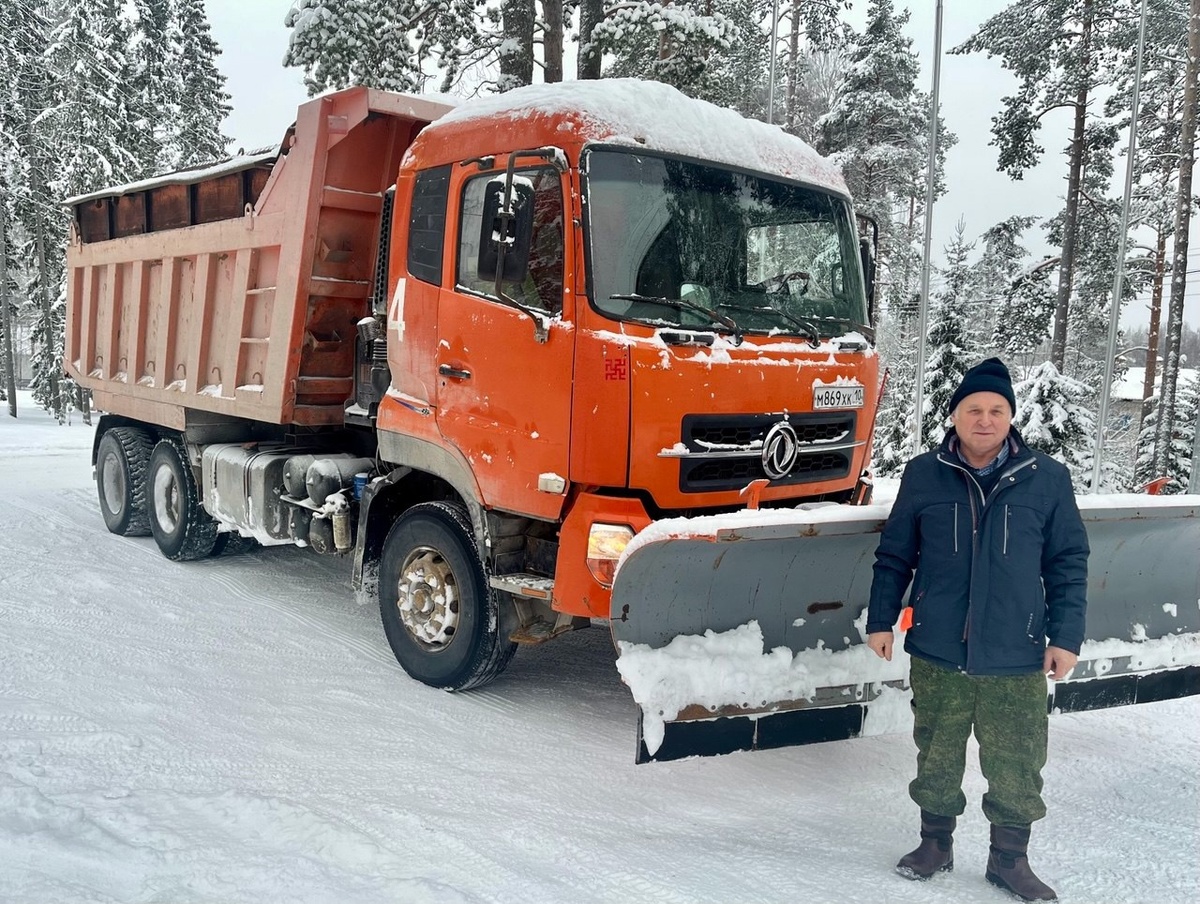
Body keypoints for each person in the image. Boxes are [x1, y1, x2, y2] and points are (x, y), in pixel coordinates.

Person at [866, 357, 1089, 903]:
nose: (984, 419)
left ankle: (1009, 861)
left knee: (1016, 760)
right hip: (939, 648)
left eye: (996, 410)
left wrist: (1066, 636)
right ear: (954, 416)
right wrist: (881, 618)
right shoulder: (924, 475)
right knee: (936, 751)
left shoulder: (1047, 478)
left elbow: (1068, 563)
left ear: (1010, 418)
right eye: (973, 409)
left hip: (1016, 652)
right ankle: (934, 845)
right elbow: (895, 555)